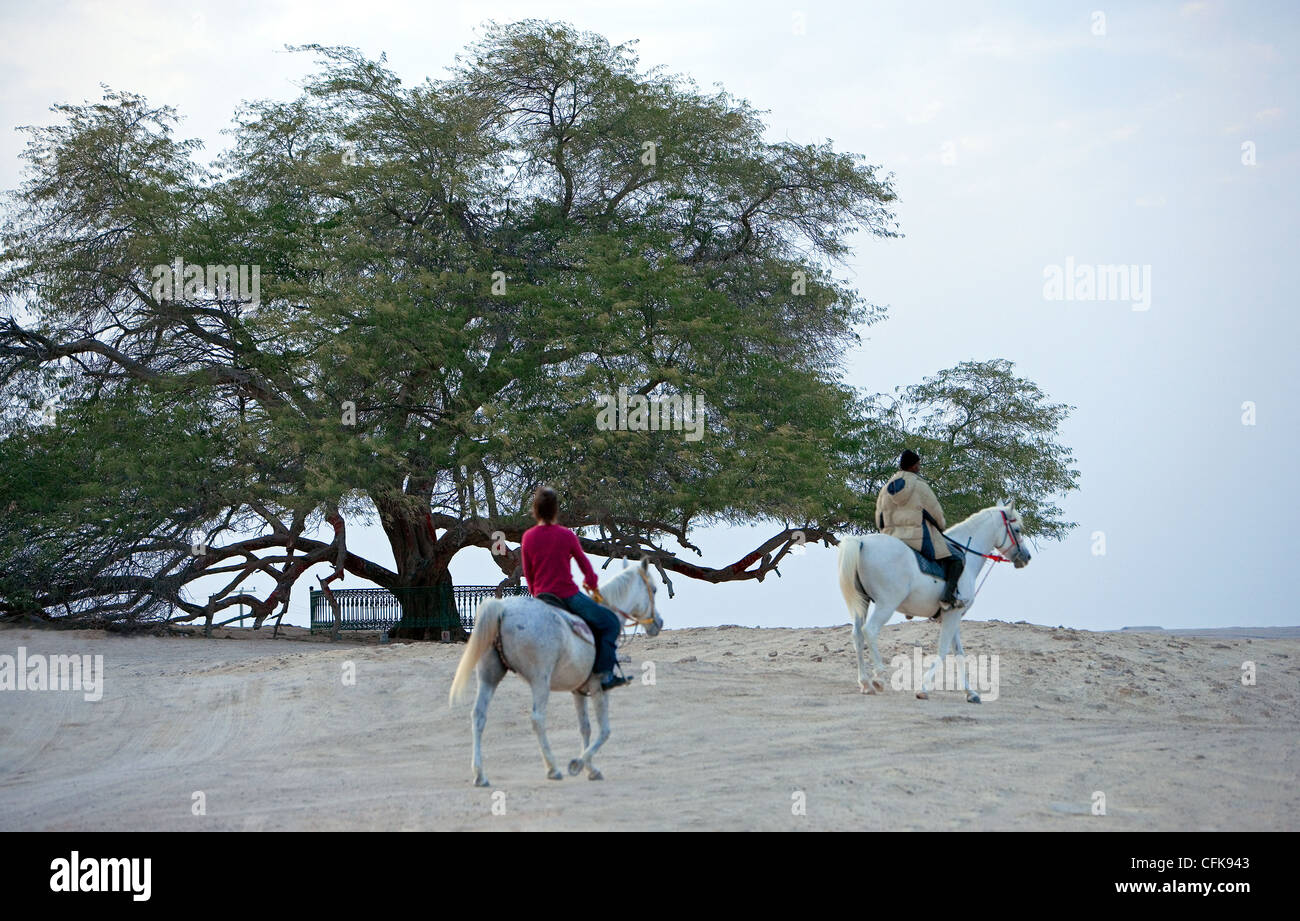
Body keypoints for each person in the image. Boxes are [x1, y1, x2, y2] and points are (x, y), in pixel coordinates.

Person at [519, 486, 631, 690]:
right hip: (567, 594)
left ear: (535, 511)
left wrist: (536, 596)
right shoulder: (566, 535)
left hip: (542, 597)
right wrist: (592, 582)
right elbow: (584, 564)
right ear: (555, 510)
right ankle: (604, 675)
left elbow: (529, 575)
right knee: (610, 623)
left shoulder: (528, 537)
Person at [875, 449, 965, 610]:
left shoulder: (886, 488)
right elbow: (936, 514)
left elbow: (879, 519)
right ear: (913, 466)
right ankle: (947, 597)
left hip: (891, 539)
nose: (919, 467)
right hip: (919, 540)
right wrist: (941, 526)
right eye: (918, 464)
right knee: (957, 558)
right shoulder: (919, 486)